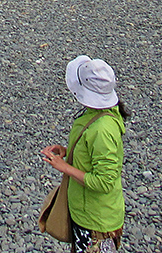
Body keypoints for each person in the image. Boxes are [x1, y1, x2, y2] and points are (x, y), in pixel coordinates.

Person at [41, 56, 128, 253]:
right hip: (87, 214)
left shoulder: (102, 130)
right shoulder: (100, 114)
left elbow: (104, 182)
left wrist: (65, 167)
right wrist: (68, 152)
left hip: (96, 222)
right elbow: (93, 155)